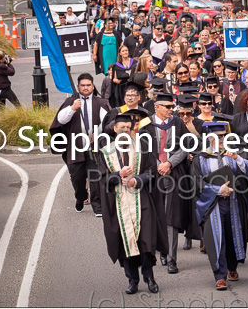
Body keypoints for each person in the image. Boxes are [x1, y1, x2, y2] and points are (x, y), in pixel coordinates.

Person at [98, 109, 167, 295]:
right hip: (118, 203)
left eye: (128, 128)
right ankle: (132, 280)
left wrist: (139, 179)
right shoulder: (105, 152)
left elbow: (152, 171)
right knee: (125, 243)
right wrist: (116, 176)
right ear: (114, 129)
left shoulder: (142, 147)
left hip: (141, 200)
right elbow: (101, 177)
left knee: (146, 240)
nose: (125, 131)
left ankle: (149, 276)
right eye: (122, 128)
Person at [192, 121, 248, 291]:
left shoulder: (233, 153)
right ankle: (219, 276)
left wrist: (238, 158)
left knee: (233, 234)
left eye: (223, 136)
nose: (221, 139)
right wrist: (218, 190)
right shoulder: (201, 158)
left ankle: (232, 267)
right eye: (217, 136)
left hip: (234, 202)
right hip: (213, 203)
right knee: (217, 239)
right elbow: (196, 182)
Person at [143, 92, 196, 274]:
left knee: (172, 217)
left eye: (172, 107)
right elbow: (144, 148)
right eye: (168, 107)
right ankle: (162, 251)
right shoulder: (146, 124)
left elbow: (185, 146)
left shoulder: (178, 123)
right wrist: (159, 165)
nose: (171, 110)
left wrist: (169, 163)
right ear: (157, 106)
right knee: (157, 216)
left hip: (174, 173)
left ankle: (172, 259)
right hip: (152, 174)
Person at [49, 73, 109, 215]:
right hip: (75, 147)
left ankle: (97, 205)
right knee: (77, 178)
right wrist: (73, 108)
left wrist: (98, 133)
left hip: (94, 148)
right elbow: (60, 120)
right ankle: (80, 197)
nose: (86, 88)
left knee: (96, 177)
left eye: (88, 85)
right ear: (78, 87)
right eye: (83, 85)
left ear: (93, 86)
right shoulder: (71, 101)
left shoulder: (100, 102)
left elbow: (107, 121)